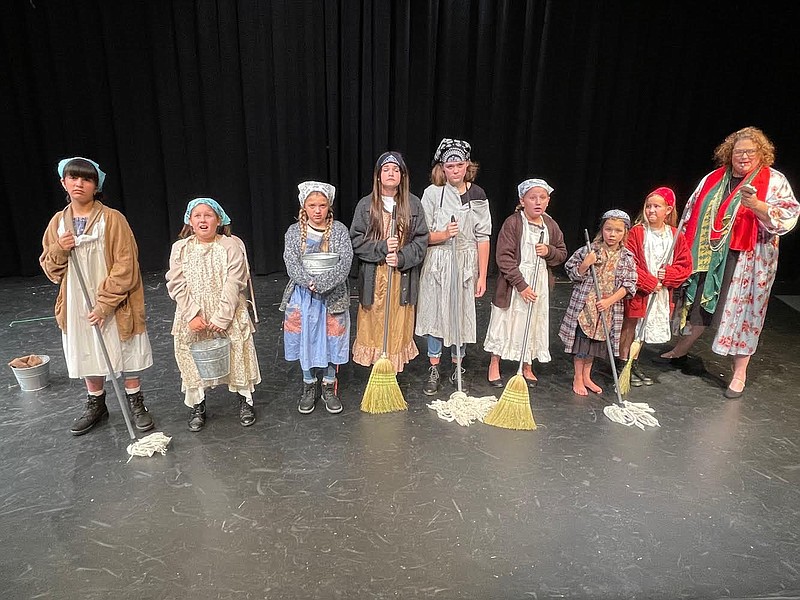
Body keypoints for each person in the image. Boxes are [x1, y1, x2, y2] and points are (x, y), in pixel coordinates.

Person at [660, 126, 799, 398]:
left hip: (748, 259)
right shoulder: (713, 178)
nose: (744, 156)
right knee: (701, 301)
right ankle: (681, 350)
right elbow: (690, 213)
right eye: (738, 151)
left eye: (750, 151)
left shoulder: (773, 180)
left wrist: (758, 205)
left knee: (743, 315)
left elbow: (789, 216)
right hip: (708, 256)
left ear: (762, 154)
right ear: (729, 153)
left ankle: (739, 374)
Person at [40, 157, 155, 436]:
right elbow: (49, 266)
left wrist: (105, 303)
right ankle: (96, 403)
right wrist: (59, 248)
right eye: (73, 178)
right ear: (63, 183)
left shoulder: (112, 219)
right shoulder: (59, 222)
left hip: (114, 300)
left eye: (86, 179)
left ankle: (135, 401)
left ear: (96, 185)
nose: (79, 183)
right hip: (76, 298)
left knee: (126, 346)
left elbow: (126, 265)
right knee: (87, 347)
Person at [165, 198, 260, 431]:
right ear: (190, 220)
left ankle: (245, 401)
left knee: (238, 352)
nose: (202, 220)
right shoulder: (181, 248)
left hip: (226, 313)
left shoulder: (230, 245)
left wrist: (222, 317)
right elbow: (176, 283)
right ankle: (198, 404)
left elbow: (234, 281)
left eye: (208, 215)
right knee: (191, 357)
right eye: (197, 215)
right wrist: (191, 314)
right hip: (194, 315)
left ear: (218, 220)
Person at [415, 138, 492, 395]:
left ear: (467, 165)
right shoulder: (432, 194)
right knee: (436, 315)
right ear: (442, 168)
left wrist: (482, 274)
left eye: (459, 165)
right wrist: (443, 234)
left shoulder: (477, 194)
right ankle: (434, 367)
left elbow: (483, 236)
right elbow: (421, 236)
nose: (455, 170)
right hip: (438, 261)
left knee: (460, 315)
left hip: (464, 262)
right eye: (450, 166)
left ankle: (458, 366)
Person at [350, 151, 429, 373]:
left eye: (396, 170)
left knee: (396, 325)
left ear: (402, 176)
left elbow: (421, 241)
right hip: (374, 278)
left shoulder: (413, 205)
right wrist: (383, 248)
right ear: (378, 176)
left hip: (401, 279)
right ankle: (377, 370)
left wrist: (402, 257)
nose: (391, 173)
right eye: (386, 169)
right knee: (374, 322)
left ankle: (391, 372)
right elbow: (356, 241)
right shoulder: (366, 205)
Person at [483, 178, 567, 388]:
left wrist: (549, 251)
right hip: (514, 285)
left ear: (548, 200)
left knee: (533, 322)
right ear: (523, 200)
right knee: (505, 322)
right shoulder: (513, 223)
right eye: (532, 198)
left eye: (542, 197)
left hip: (538, 283)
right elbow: (504, 257)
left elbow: (562, 253)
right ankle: (495, 363)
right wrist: (521, 285)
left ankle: (527, 364)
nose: (538, 202)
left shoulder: (550, 225)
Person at [280, 181, 353, 414]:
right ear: (304, 207)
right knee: (306, 339)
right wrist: (309, 282)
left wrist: (322, 283)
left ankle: (329, 384)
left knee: (333, 338)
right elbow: (291, 262)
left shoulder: (339, 230)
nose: (317, 210)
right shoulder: (294, 232)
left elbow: (345, 261)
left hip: (333, 296)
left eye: (322, 205)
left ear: (329, 206)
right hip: (303, 296)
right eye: (312, 205)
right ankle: (309, 384)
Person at [618, 187, 692, 386]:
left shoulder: (675, 235)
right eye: (648, 206)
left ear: (668, 210)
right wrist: (649, 282)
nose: (651, 210)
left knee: (643, 329)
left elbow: (685, 266)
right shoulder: (637, 232)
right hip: (638, 290)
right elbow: (628, 262)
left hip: (660, 293)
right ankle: (622, 363)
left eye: (656, 206)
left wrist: (668, 275)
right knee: (631, 326)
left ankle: (633, 363)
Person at [559, 210, 637, 396]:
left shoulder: (626, 257)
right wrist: (585, 264)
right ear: (602, 229)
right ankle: (578, 377)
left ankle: (587, 376)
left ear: (624, 233)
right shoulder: (590, 250)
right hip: (586, 306)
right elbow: (571, 271)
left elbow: (629, 284)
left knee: (595, 345)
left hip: (608, 308)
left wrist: (609, 301)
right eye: (608, 229)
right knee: (582, 344)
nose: (612, 234)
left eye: (617, 230)